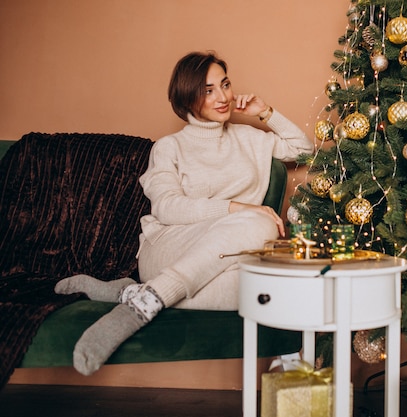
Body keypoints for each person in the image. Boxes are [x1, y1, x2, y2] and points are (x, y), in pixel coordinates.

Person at [54, 51, 314, 375]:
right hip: (168, 246)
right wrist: (237, 207)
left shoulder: (250, 139)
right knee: (261, 222)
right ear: (187, 97)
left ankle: (135, 295)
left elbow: (303, 149)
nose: (222, 97)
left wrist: (266, 112)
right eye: (208, 90)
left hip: (228, 256)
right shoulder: (169, 147)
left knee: (265, 289)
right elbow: (167, 207)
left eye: (225, 84)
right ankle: (145, 298)